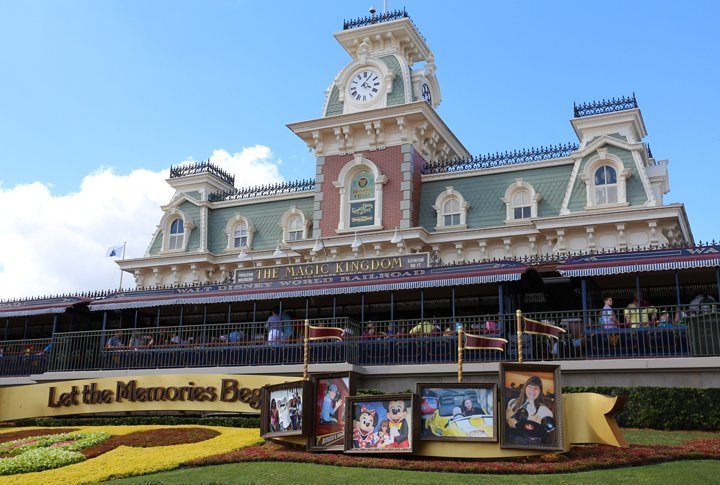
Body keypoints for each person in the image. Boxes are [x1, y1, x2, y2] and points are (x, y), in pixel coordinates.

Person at [506, 375, 554, 445]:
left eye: (536, 388)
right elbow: (507, 420)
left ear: (540, 391)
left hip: (531, 443)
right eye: (530, 386)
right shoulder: (512, 402)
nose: (532, 390)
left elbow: (545, 432)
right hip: (510, 438)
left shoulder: (545, 411)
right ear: (525, 388)